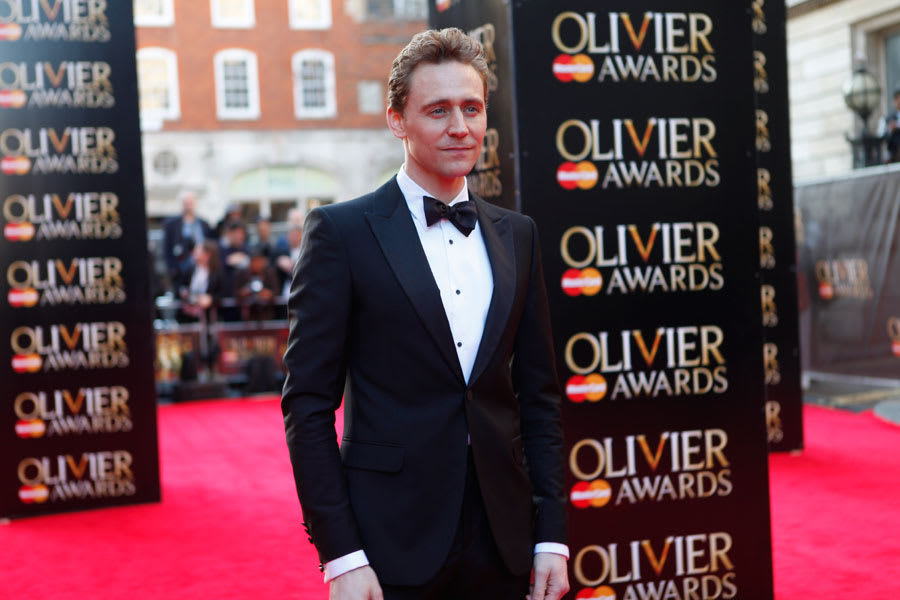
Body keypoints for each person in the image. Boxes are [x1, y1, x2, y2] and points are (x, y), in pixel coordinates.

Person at [281, 28, 568, 600]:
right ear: (397, 120)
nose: (459, 127)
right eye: (437, 110)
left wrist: (551, 537)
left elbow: (538, 397)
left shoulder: (520, 235)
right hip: (389, 539)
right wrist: (340, 554)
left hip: (506, 534)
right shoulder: (342, 233)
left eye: (472, 108)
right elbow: (308, 405)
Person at [162, 190, 212, 286]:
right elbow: (167, 249)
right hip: (182, 268)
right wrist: (172, 270)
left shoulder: (203, 223)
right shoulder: (172, 224)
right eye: (186, 202)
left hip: (202, 268)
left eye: (191, 202)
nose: (189, 205)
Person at [234, 245, 280, 321]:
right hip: (245, 316)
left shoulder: (270, 273)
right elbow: (234, 293)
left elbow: (277, 292)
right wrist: (244, 293)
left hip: (267, 316)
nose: (256, 264)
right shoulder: (241, 274)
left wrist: (268, 294)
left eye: (258, 261)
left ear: (263, 261)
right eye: (253, 261)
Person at [879, 89, 900, 162]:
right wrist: (890, 129)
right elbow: (882, 136)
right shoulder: (888, 119)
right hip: (894, 153)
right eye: (897, 99)